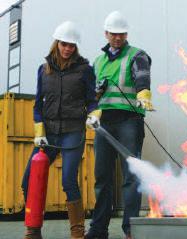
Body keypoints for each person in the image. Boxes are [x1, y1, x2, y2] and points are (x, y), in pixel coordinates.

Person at [21, 21, 97, 239]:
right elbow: (38, 104)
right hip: (49, 134)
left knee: (68, 181)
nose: (68, 49)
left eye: (72, 45)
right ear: (57, 43)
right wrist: (39, 132)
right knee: (28, 181)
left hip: (73, 132)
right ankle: (33, 230)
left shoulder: (85, 70)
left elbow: (92, 101)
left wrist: (94, 114)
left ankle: (77, 233)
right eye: (64, 44)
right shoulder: (43, 70)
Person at [85, 10, 153, 239]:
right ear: (106, 34)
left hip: (129, 121)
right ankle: (98, 229)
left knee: (131, 176)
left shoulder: (137, 54)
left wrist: (143, 93)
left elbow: (142, 75)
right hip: (104, 124)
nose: (118, 37)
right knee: (102, 177)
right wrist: (92, 106)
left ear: (126, 34)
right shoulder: (98, 61)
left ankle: (132, 230)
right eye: (113, 34)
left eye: (121, 34)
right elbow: (91, 94)